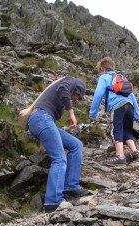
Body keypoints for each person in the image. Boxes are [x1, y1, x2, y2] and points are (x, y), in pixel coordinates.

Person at [27, 76, 91, 213]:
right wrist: (71, 112)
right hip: (41, 118)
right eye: (78, 97)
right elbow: (63, 89)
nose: (76, 100)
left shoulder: (61, 97)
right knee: (60, 158)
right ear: (77, 90)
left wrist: (43, 140)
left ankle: (70, 186)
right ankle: (53, 201)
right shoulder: (71, 81)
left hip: (43, 120)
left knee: (76, 145)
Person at [89, 57, 139, 166]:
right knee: (126, 130)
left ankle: (120, 156)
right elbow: (132, 96)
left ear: (102, 69)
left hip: (117, 106)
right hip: (129, 105)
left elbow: (98, 94)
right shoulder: (121, 78)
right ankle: (135, 152)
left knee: (116, 129)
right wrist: (137, 114)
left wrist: (93, 113)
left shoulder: (104, 77)